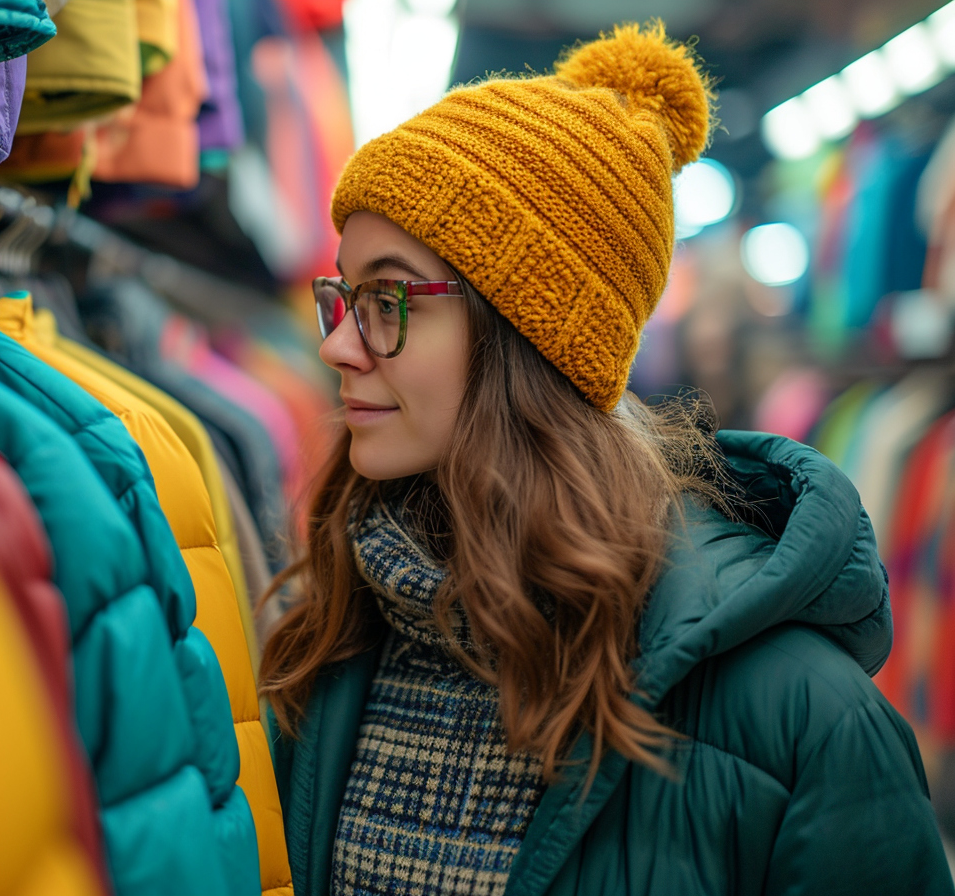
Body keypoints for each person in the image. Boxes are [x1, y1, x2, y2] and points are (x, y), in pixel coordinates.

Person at [260, 21, 954, 896]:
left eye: (388, 298)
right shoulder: (335, 637)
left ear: (534, 336)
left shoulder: (804, 720)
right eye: (342, 296)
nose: (338, 348)